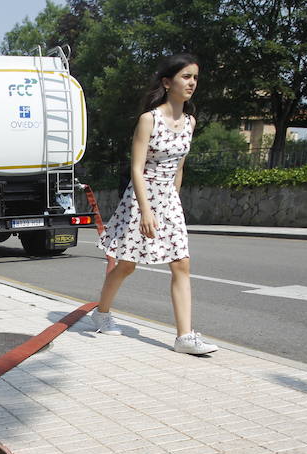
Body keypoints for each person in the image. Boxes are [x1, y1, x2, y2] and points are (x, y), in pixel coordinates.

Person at [92, 54, 218, 355]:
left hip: (169, 199)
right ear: (167, 82)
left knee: (181, 263)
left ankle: (184, 336)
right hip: (141, 199)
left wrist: (174, 201)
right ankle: (102, 313)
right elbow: (136, 168)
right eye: (186, 77)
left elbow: (179, 166)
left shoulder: (190, 122)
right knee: (126, 265)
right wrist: (146, 210)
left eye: (195, 78)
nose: (191, 83)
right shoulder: (149, 119)